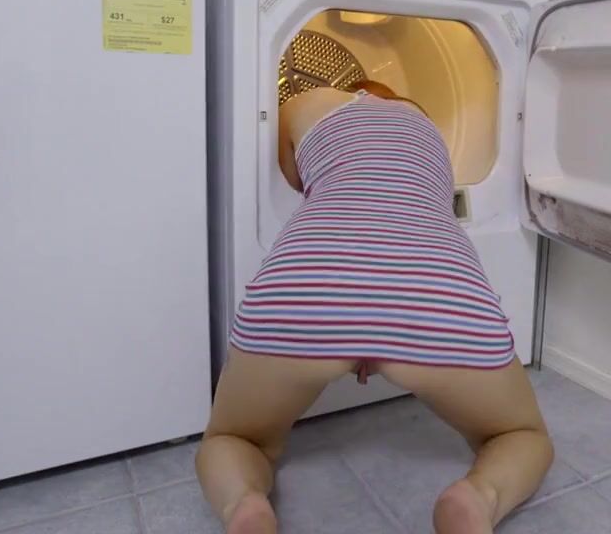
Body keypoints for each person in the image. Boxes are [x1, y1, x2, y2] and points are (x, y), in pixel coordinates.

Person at [196, 80, 553, 534]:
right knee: (521, 435)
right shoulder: (429, 131)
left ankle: (245, 504)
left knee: (235, 437)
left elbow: (293, 177)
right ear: (399, 100)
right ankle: (478, 499)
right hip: (439, 286)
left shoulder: (305, 103)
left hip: (307, 280)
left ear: (350, 89)